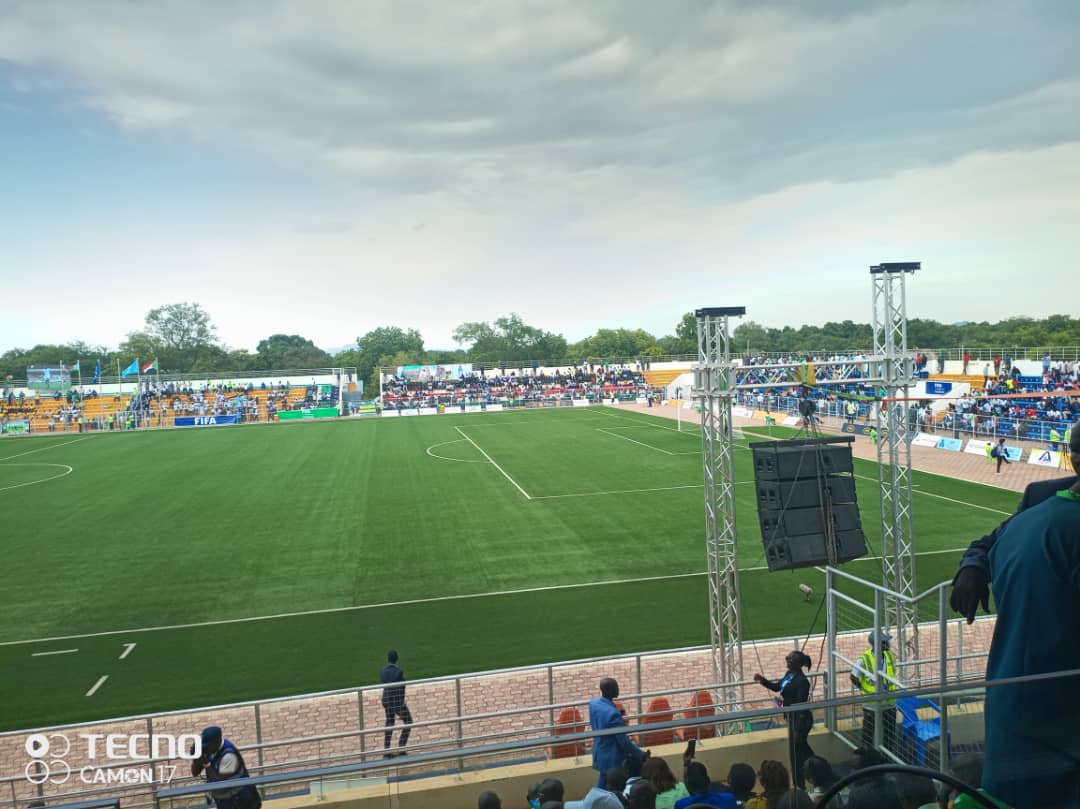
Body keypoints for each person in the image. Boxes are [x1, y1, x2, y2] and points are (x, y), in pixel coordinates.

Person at [981, 472, 1080, 806]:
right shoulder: (1051, 507)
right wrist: (973, 566)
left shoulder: (1041, 514)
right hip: (1051, 715)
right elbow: (986, 544)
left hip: (1018, 714)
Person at [950, 424, 1080, 623]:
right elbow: (990, 543)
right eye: (1074, 450)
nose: (1076, 459)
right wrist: (973, 568)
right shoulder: (1041, 496)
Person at [753, 651, 814, 788]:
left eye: (790, 659)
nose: (787, 660)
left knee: (797, 754)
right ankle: (811, 773)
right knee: (798, 752)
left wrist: (797, 729)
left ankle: (805, 780)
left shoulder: (802, 681)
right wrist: (762, 680)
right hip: (793, 720)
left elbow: (800, 705)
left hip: (801, 722)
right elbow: (777, 687)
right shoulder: (790, 675)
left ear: (797, 664)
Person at [589, 678, 647, 787]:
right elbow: (624, 742)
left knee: (603, 782)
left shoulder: (593, 704)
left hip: (599, 750)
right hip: (612, 757)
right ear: (610, 690)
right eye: (616, 687)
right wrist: (641, 755)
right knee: (612, 786)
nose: (618, 689)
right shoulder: (613, 714)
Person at [190, 726, 261, 809]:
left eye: (207, 745)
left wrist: (206, 764)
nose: (205, 748)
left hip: (242, 801)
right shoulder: (209, 749)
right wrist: (196, 758)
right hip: (225, 801)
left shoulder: (229, 755)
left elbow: (220, 784)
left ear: (217, 742)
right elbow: (195, 773)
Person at [850, 632, 897, 751]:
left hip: (889, 702)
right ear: (877, 644)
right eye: (885, 642)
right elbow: (853, 676)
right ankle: (867, 758)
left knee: (890, 733)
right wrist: (863, 689)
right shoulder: (864, 659)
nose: (888, 643)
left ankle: (887, 757)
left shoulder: (890, 656)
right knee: (868, 733)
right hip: (871, 704)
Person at [380, 649, 413, 755]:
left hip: (386, 701)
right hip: (397, 702)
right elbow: (402, 687)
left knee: (389, 722)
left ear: (388, 659)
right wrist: (402, 704)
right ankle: (401, 747)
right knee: (408, 721)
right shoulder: (399, 672)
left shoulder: (383, 671)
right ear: (397, 659)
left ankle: (387, 749)